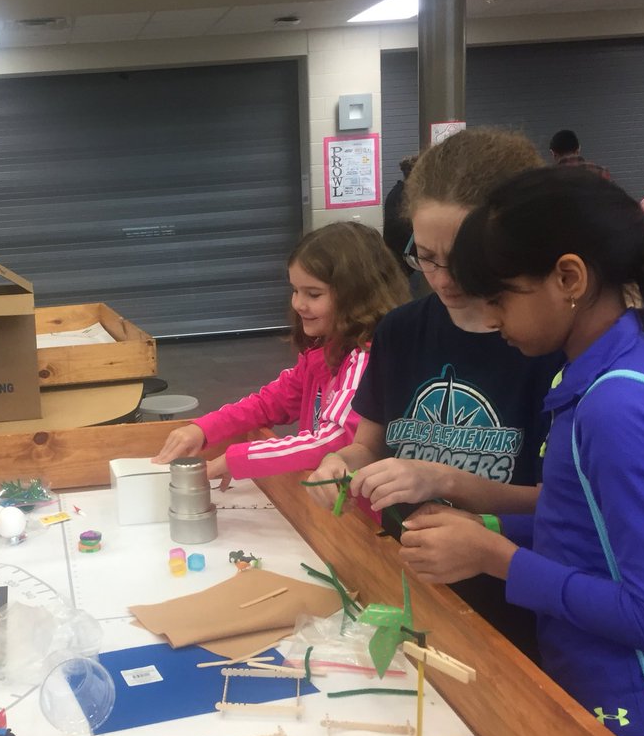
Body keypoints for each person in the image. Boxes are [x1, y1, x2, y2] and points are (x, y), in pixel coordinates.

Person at [399, 167, 644, 736]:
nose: (489, 319)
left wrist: (496, 558)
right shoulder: (596, 376)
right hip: (593, 695)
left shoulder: (616, 408)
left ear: (569, 278)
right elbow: (584, 523)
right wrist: (485, 523)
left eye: (501, 298)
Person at [306, 128, 564, 657]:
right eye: (424, 256)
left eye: (462, 259)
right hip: (411, 589)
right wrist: (341, 461)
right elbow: (369, 444)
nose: (443, 279)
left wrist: (444, 479)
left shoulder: (547, 347)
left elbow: (565, 509)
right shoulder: (401, 330)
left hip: (516, 612)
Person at [152, 223, 408, 486]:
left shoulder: (366, 360)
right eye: (295, 290)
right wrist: (204, 428)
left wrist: (235, 459)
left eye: (314, 294)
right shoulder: (323, 351)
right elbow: (271, 401)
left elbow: (334, 441)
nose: (298, 304)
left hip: (355, 513)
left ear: (358, 295)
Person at [382, 154, 418, 282]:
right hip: (401, 259)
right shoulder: (399, 196)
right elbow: (398, 228)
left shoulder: (408, 194)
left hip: (408, 259)